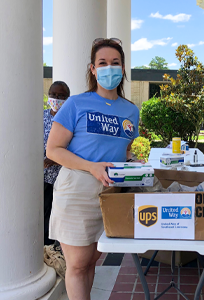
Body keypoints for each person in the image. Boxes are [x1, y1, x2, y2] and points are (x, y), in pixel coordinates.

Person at [46, 38, 139, 300]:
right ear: (93, 69)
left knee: (91, 263)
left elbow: (123, 149)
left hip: (111, 193)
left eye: (115, 62)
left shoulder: (131, 111)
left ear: (122, 69)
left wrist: (132, 163)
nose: (109, 68)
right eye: (103, 63)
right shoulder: (76, 104)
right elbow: (53, 150)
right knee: (77, 265)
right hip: (77, 189)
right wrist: (92, 167)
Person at [44, 81, 70, 246]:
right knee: (46, 211)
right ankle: (47, 247)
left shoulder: (71, 118)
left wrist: (56, 157)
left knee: (62, 212)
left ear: (68, 98)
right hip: (45, 176)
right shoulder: (42, 117)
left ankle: (61, 246)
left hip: (65, 174)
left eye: (61, 96)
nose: (56, 98)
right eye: (53, 95)